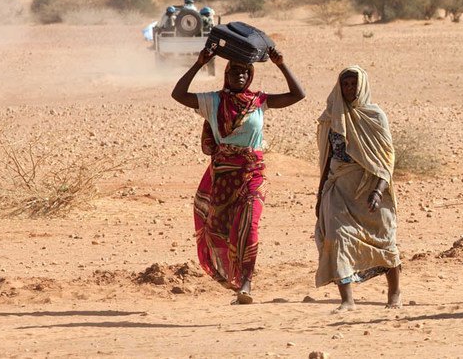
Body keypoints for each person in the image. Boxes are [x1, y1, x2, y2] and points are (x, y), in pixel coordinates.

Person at [171, 46, 305, 304]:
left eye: (245, 71)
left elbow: (298, 94)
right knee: (222, 231)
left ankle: (246, 283)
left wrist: (281, 64)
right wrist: (200, 63)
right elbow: (178, 94)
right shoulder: (213, 101)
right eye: (234, 71)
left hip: (252, 173)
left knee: (249, 226)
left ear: (251, 74)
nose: (239, 76)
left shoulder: (260, 101)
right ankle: (234, 279)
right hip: (223, 176)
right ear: (227, 74)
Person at [315, 66, 401, 312]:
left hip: (371, 186)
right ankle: (347, 300)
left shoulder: (375, 116)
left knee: (384, 239)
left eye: (354, 84)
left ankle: (395, 293)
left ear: (362, 86)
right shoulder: (332, 116)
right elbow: (326, 157)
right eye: (346, 84)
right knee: (336, 238)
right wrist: (320, 195)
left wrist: (378, 190)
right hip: (338, 186)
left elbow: (386, 158)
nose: (350, 89)